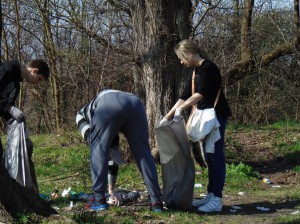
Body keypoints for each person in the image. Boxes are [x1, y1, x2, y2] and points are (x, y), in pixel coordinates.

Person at [160, 39, 231, 213]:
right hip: (206, 119)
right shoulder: (196, 71)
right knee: (209, 156)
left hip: (216, 116)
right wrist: (167, 116)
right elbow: (185, 95)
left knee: (215, 157)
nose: (181, 61)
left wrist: (182, 109)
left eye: (181, 57)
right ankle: (211, 195)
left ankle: (217, 199)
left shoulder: (209, 68)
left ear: (189, 53)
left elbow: (201, 94)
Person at [75, 89, 163, 212]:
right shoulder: (98, 110)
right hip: (136, 103)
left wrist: (97, 143)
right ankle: (157, 202)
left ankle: (99, 200)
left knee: (98, 149)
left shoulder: (81, 115)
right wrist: (111, 190)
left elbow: (96, 146)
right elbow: (113, 153)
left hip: (109, 104)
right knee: (143, 153)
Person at [0, 59, 50, 193]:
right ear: (34, 70)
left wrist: (19, 124)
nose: (36, 83)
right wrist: (8, 107)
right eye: (38, 79)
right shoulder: (8, 69)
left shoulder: (16, 84)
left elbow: (6, 111)